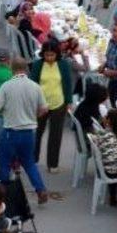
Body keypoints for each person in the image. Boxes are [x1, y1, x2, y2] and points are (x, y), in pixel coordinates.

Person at [0, 57, 49, 204]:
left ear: (12, 69)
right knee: (29, 163)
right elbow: (44, 108)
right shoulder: (35, 87)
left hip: (10, 132)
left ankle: (4, 192)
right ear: (26, 69)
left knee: (3, 162)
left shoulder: (6, 86)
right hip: (29, 132)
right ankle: (40, 189)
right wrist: (34, 116)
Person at [30, 38, 72, 173]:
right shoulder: (37, 65)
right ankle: (32, 160)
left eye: (52, 55)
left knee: (56, 135)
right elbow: (33, 84)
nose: (49, 58)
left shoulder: (63, 65)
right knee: (37, 133)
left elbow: (67, 83)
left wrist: (68, 101)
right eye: (47, 55)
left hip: (58, 103)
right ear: (43, 54)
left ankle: (53, 164)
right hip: (40, 104)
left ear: (57, 54)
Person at [91, 109, 117, 205]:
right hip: (116, 171)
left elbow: (95, 139)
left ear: (109, 121)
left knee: (115, 159)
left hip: (105, 167)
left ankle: (113, 193)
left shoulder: (103, 134)